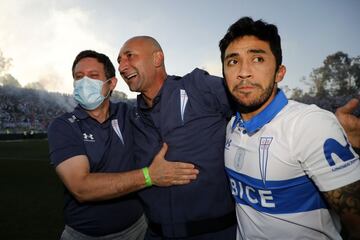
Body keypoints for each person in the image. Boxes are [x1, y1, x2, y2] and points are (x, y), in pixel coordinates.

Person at [219, 17, 360, 239]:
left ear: (279, 73)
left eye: (257, 58)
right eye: (233, 62)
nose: (243, 72)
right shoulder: (231, 126)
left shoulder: (310, 125)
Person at [47, 50, 199, 240]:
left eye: (93, 76)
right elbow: (81, 187)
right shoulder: (63, 125)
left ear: (111, 83)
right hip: (84, 235)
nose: (84, 82)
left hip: (137, 229)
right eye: (79, 77)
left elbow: (161, 102)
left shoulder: (128, 113)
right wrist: (149, 176)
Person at [118, 37, 237, 239]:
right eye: (119, 61)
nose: (122, 66)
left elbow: (253, 102)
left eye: (130, 56)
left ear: (157, 58)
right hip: (156, 233)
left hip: (216, 232)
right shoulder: (129, 115)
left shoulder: (198, 87)